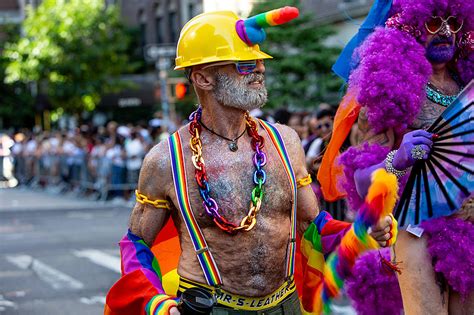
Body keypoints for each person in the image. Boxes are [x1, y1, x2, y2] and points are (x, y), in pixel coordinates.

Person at [105, 7, 396, 315]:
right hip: (209, 307)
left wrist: (361, 231)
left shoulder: (286, 142)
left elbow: (314, 224)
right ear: (203, 77)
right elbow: (136, 244)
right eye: (244, 64)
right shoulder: (166, 160)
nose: (259, 69)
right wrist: (157, 303)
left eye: (260, 61)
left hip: (286, 305)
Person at [319, 0, 473, 313]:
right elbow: (361, 182)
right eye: (433, 22)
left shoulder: (467, 88)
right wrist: (397, 160)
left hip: (468, 225)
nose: (445, 31)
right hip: (415, 226)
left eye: (453, 22)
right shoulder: (390, 89)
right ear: (412, 24)